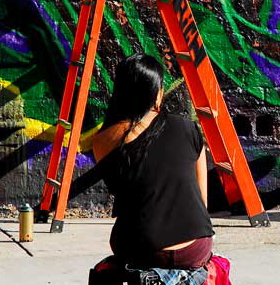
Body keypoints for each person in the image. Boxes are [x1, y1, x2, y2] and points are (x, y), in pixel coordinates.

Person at [92, 54, 214, 268]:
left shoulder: (103, 141)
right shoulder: (188, 128)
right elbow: (202, 203)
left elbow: (125, 195)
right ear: (157, 95)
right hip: (195, 248)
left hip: (141, 249)